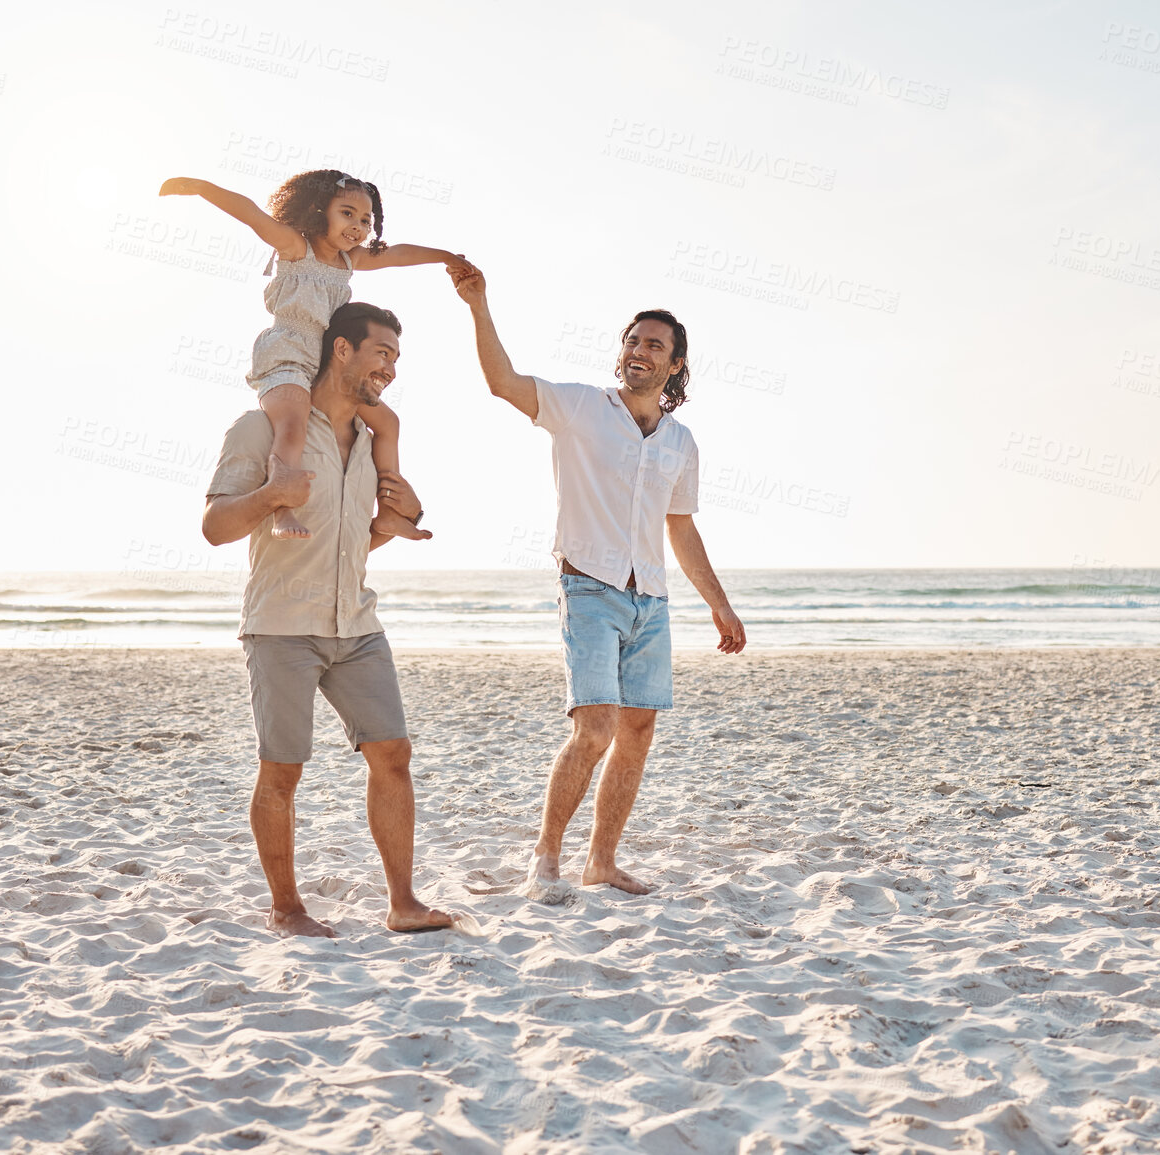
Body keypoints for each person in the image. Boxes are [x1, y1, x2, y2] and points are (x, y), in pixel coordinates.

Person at [449, 264, 747, 902]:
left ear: (675, 365)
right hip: (589, 591)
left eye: (653, 345)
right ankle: (546, 858)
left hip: (653, 604)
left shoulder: (681, 441)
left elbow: (682, 531)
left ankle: (602, 862)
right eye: (632, 341)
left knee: (637, 734)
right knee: (595, 730)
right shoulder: (582, 407)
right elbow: (503, 382)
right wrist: (478, 304)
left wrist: (720, 606)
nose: (638, 352)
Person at [202, 300, 451, 936]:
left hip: (357, 626)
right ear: (341, 349)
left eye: (396, 357)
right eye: (382, 354)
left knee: (393, 754)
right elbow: (214, 527)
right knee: (283, 770)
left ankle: (404, 902)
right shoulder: (262, 430)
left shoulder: (371, 445)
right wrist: (269, 496)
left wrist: (401, 522)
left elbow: (351, 542)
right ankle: (286, 909)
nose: (390, 369)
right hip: (282, 626)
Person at [164, 169, 468, 540]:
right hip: (287, 357)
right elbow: (252, 215)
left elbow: (398, 254)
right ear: (317, 210)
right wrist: (200, 188)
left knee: (388, 424)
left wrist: (446, 256)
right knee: (293, 425)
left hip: (326, 367)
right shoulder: (295, 247)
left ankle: (388, 512)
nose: (357, 226)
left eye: (365, 219)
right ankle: (282, 510)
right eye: (347, 213)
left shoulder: (350, 261)